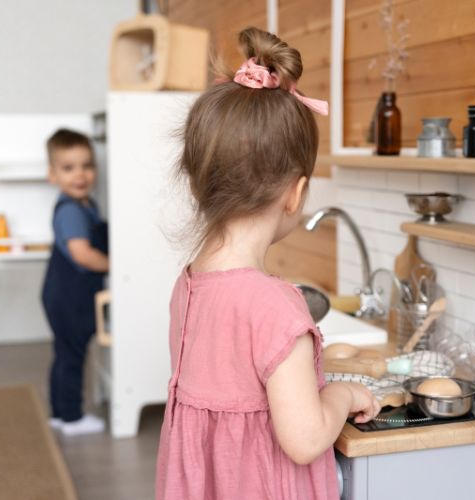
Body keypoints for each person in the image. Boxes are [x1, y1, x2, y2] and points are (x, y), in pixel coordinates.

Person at [156, 27, 381, 499]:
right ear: (296, 193)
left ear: (198, 185)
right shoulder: (276, 306)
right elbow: (303, 440)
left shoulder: (189, 285)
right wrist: (344, 395)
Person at [41, 128, 109, 436]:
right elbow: (82, 254)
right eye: (68, 168)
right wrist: (116, 267)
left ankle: (58, 412)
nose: (80, 175)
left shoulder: (86, 204)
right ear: (52, 175)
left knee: (65, 352)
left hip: (64, 294)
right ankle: (71, 418)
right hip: (69, 297)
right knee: (72, 355)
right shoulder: (71, 211)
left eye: (87, 166)